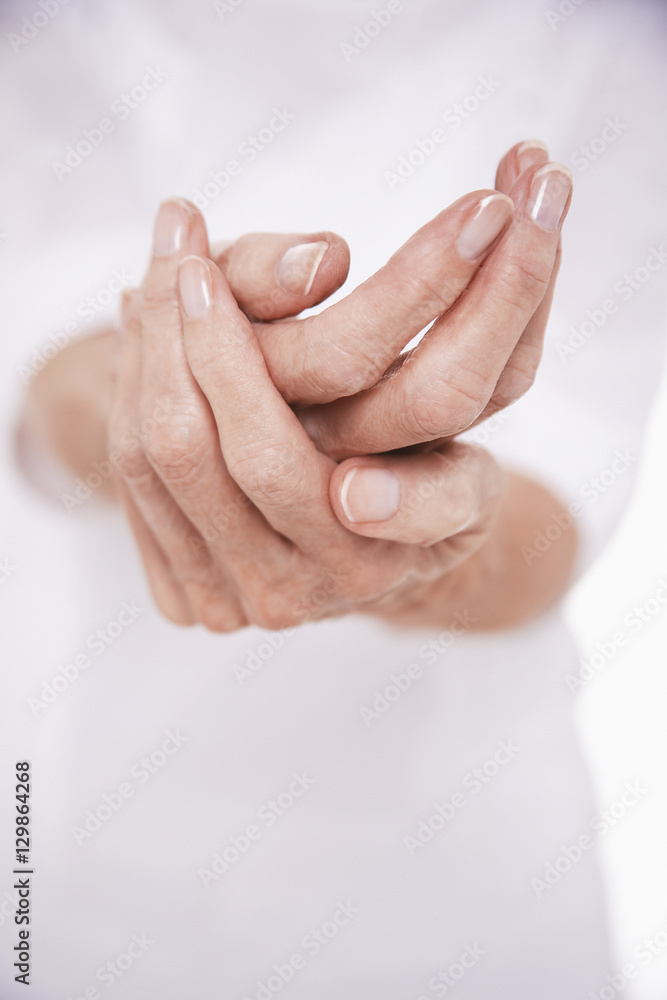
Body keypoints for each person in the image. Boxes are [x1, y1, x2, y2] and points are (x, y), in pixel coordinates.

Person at [1, 1, 666, 998]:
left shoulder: (618, 44)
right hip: (97, 874)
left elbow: (556, 505)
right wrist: (158, 384)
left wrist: (412, 528)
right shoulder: (49, 28)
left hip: (476, 911)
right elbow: (42, 366)